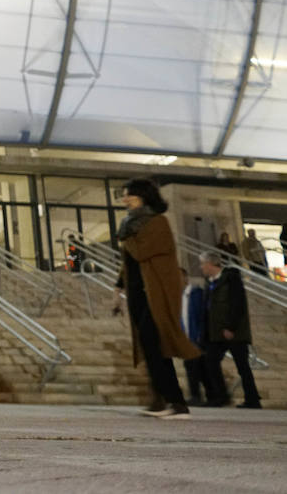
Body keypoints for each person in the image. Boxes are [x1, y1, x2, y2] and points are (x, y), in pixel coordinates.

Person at [112, 178, 201, 419]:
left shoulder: (156, 223)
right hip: (139, 294)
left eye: (129, 194)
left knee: (154, 343)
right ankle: (162, 400)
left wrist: (126, 236)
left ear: (142, 196)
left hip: (158, 293)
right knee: (151, 346)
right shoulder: (131, 225)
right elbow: (129, 263)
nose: (125, 198)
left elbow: (141, 252)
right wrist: (118, 289)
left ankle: (176, 402)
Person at [199, 250, 262, 409]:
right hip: (216, 333)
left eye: (203, 264)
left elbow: (237, 304)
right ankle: (221, 396)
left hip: (234, 333)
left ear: (211, 264)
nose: (201, 268)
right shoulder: (209, 283)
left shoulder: (231, 279)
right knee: (210, 361)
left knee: (242, 366)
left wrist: (230, 327)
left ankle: (252, 399)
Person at [179, 268, 207, 406]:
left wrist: (199, 336)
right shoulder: (179, 296)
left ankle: (206, 395)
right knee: (190, 367)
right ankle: (195, 395)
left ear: (185, 278)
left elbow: (202, 316)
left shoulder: (196, 294)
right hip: (186, 339)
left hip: (197, 338)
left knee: (200, 367)